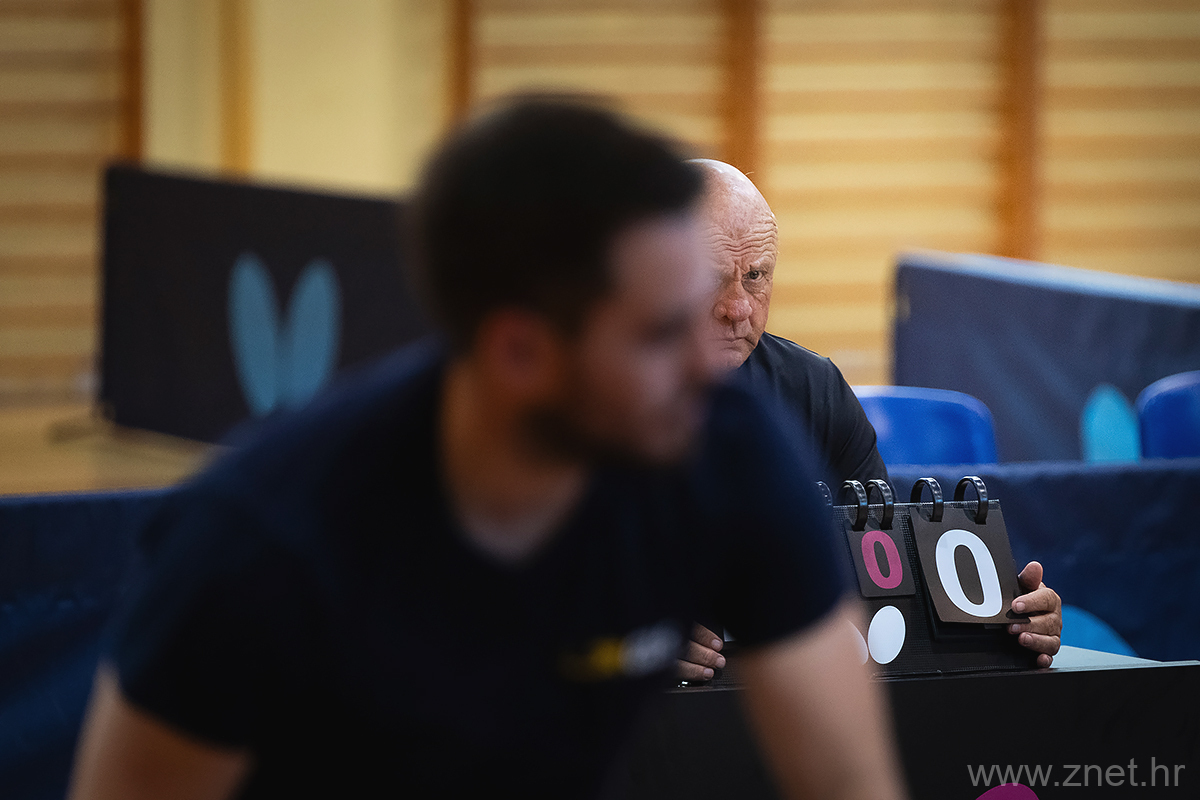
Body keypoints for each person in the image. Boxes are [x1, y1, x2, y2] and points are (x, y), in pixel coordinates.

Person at [66, 99, 908, 800]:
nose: (712, 361)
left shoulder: (729, 445)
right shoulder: (258, 544)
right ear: (518, 351)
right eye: (660, 333)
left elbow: (847, 781)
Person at [676, 159, 1062, 682]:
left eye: (756, 276)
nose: (738, 308)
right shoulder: (586, 404)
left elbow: (884, 575)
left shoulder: (815, 388)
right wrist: (627, 637)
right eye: (713, 279)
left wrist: (1011, 617)